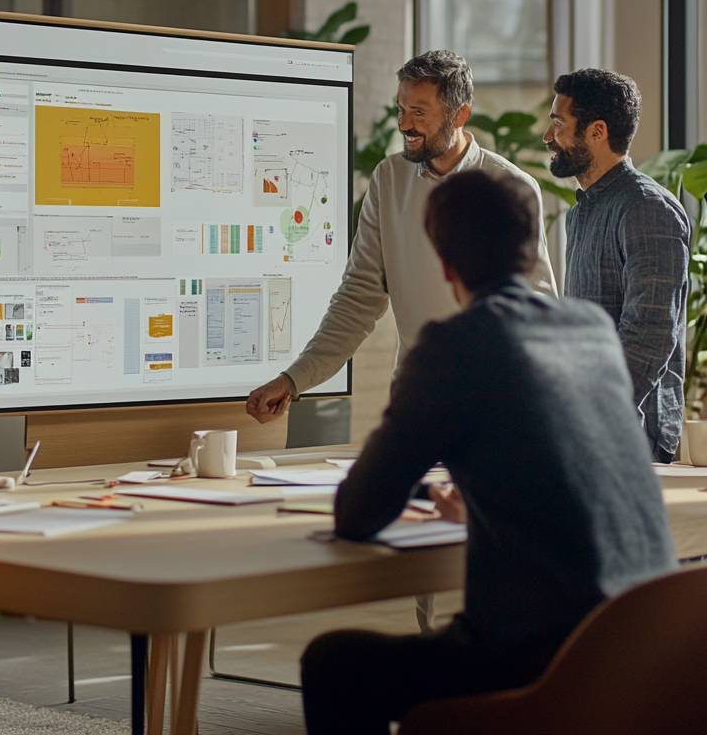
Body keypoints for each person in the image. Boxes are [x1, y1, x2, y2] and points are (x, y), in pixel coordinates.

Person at [300, 171, 675, 735]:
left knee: (333, 664)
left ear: (446, 266)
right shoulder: (591, 330)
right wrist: (487, 504)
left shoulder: (453, 346)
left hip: (542, 664)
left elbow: (358, 513)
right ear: (531, 252)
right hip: (645, 649)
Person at [246, 50, 557, 422]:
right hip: (417, 405)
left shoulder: (510, 187)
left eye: (419, 113)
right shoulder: (389, 179)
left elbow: (536, 311)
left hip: (494, 410)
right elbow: (358, 297)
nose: (405, 124)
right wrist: (294, 379)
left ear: (460, 115)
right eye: (401, 109)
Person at [544, 68, 690, 463]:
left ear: (597, 132)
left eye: (558, 123)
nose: (547, 136)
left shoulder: (647, 208)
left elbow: (649, 333)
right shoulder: (582, 211)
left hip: (630, 436)